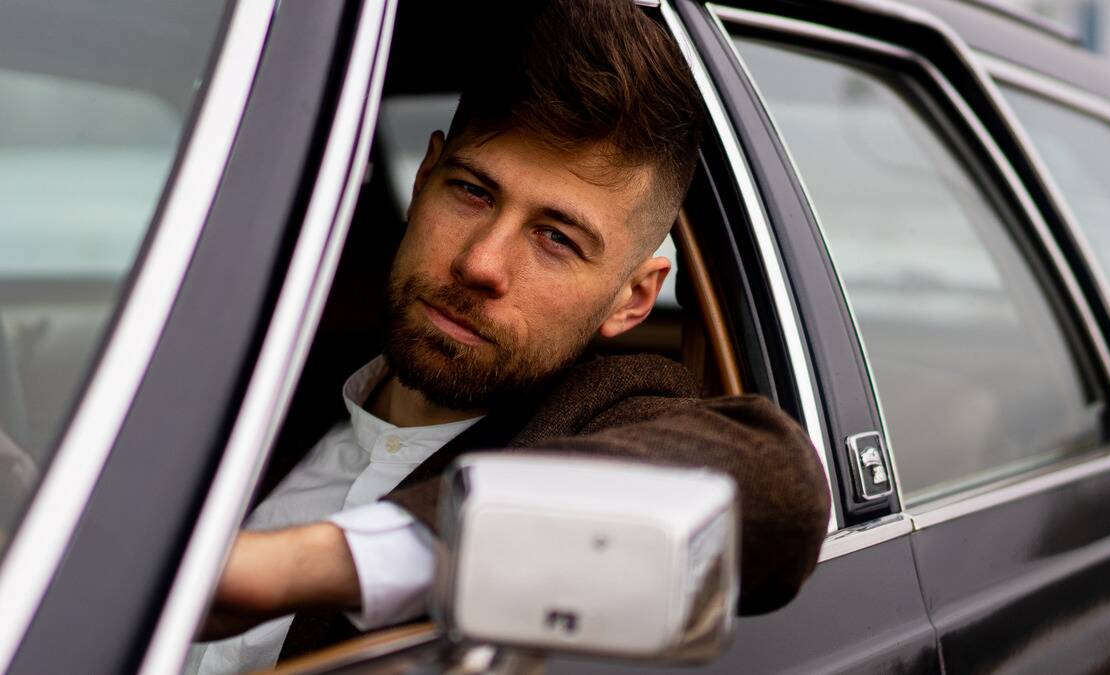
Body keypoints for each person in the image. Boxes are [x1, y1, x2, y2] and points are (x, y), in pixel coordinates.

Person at [189, 1, 830, 672]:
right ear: (424, 175)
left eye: (557, 237)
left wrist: (302, 565)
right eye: (471, 191)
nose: (480, 264)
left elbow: (779, 485)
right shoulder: (261, 366)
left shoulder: (606, 412)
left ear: (633, 297)